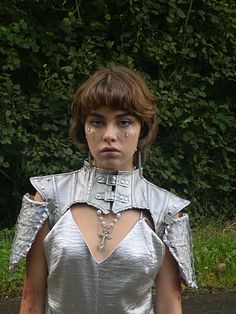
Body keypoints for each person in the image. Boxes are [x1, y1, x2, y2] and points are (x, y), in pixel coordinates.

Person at [10, 65, 197, 314]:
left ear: (142, 128)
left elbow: (169, 305)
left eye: (124, 122)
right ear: (84, 128)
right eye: (97, 122)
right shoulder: (48, 198)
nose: (110, 135)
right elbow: (31, 298)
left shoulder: (165, 210)